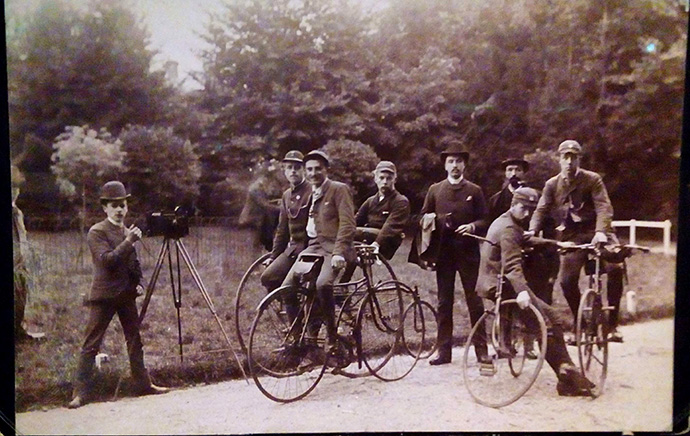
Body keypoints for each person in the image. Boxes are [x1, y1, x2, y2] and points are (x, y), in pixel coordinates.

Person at [476, 187, 595, 396]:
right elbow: (512, 266)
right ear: (513, 204)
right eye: (524, 208)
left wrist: (556, 243)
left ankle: (566, 371)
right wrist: (522, 292)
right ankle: (566, 376)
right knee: (547, 322)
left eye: (531, 209)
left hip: (499, 282)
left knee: (552, 319)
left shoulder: (507, 221)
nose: (528, 213)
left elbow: (526, 239)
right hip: (503, 287)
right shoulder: (509, 229)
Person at [68, 181, 169, 409]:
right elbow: (107, 261)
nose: (120, 210)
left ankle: (143, 385)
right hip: (104, 296)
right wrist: (129, 241)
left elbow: (133, 264)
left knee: (135, 341)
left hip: (125, 296)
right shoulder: (97, 231)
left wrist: (139, 282)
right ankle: (80, 393)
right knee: (91, 343)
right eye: (114, 205)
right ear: (105, 208)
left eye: (122, 205)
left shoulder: (125, 232)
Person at [529, 140, 625, 342]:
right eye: (566, 157)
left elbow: (603, 207)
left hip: (599, 231)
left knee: (615, 268)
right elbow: (541, 209)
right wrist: (532, 230)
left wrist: (600, 232)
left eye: (574, 157)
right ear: (559, 159)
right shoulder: (552, 184)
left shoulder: (592, 179)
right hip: (573, 236)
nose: (569, 161)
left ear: (579, 159)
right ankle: (579, 322)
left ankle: (612, 324)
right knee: (566, 281)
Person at [418, 140, 489, 365]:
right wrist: (436, 221)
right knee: (444, 301)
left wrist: (473, 226)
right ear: (445, 166)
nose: (455, 165)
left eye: (459, 161)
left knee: (475, 301)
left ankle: (482, 351)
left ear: (465, 165)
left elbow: (486, 219)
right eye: (451, 161)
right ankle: (444, 351)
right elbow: (421, 218)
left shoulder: (474, 191)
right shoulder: (435, 190)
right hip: (444, 253)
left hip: (468, 253)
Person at [280, 150, 356, 354]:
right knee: (287, 286)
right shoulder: (310, 193)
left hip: (333, 249)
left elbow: (348, 224)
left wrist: (340, 252)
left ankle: (331, 336)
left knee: (323, 284)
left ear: (326, 170)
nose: (313, 173)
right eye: (310, 169)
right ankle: (298, 338)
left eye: (318, 169)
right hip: (313, 248)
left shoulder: (338, 189)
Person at [260, 150, 312, 293]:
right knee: (268, 277)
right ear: (284, 171)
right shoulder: (286, 196)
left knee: (291, 285)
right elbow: (282, 230)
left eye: (297, 168)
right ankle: (293, 310)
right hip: (293, 250)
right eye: (289, 168)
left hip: (310, 250)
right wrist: (273, 257)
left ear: (304, 170)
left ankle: (301, 312)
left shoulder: (312, 191)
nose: (293, 171)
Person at [12, 166, 45, 342]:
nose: (14, 192)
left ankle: (19, 331)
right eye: (11, 188)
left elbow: (22, 237)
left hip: (20, 264)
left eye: (16, 189)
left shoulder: (17, 213)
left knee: (20, 298)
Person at [354, 160, 410, 259]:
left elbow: (391, 226)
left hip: (387, 242)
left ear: (395, 180)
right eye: (381, 178)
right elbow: (356, 220)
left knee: (353, 232)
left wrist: (376, 244)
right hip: (368, 238)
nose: (385, 182)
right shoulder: (371, 201)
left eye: (389, 179)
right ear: (375, 179)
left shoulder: (400, 201)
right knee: (348, 232)